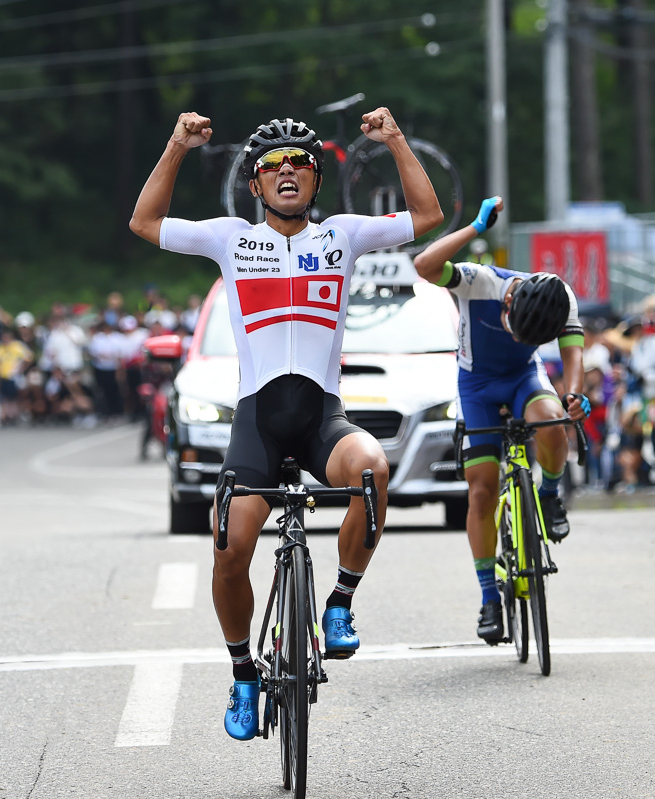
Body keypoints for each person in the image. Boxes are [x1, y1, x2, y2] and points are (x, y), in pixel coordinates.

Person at [129, 108, 442, 740]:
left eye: (301, 162)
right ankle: (244, 672)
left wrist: (395, 142)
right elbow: (145, 222)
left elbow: (428, 219)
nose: (288, 172)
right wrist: (177, 145)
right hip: (259, 424)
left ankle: (340, 604)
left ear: (316, 179)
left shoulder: (345, 236)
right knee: (228, 548)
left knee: (374, 471)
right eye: (273, 165)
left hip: (322, 418)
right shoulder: (229, 239)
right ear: (255, 184)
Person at [412, 197, 585, 642]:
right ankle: (490, 596)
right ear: (511, 301)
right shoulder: (481, 282)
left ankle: (548, 494)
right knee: (483, 490)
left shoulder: (560, 297)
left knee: (551, 420)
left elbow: (573, 353)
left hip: (524, 378)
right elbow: (425, 265)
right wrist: (474, 227)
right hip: (478, 386)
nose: (516, 337)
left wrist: (574, 394)